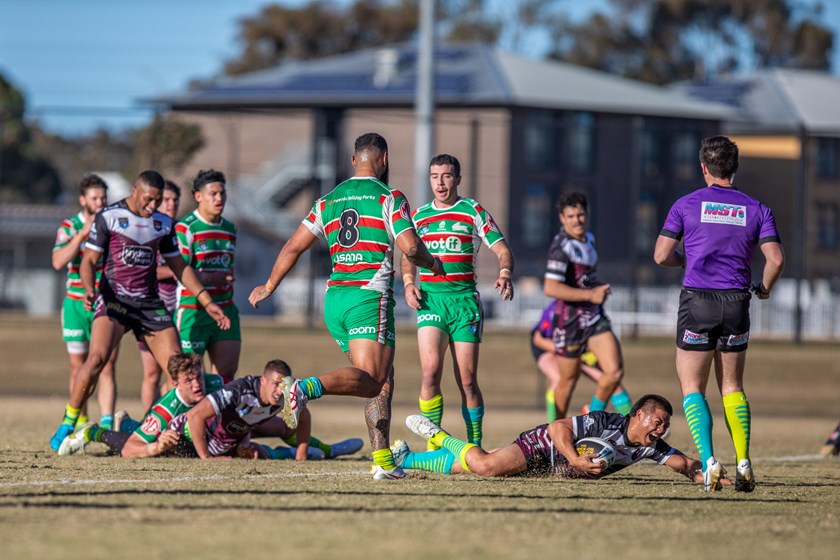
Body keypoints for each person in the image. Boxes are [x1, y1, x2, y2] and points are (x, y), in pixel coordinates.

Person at [248, 132, 444, 479]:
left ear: (354, 161)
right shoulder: (389, 197)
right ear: (385, 159)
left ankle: (383, 461)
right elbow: (412, 247)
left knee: (383, 378)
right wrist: (433, 263)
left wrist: (269, 285)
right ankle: (304, 388)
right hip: (367, 296)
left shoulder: (327, 200)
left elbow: (293, 246)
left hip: (335, 301)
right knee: (372, 380)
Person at [49, 170, 231, 451]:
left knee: (180, 371)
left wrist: (207, 302)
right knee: (96, 360)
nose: (152, 206)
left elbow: (179, 267)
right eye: (148, 199)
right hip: (114, 302)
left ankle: (146, 428)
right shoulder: (109, 216)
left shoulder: (163, 223)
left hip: (149, 306)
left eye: (157, 200)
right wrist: (88, 288)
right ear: (135, 191)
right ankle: (68, 422)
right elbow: (88, 261)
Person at [654, 135, 784, 492]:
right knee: (732, 386)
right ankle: (743, 460)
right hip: (737, 303)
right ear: (735, 167)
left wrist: (688, 260)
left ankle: (710, 461)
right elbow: (775, 259)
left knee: (692, 387)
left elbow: (661, 255)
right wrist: (765, 288)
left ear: (703, 168)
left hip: (698, 301)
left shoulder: (686, 204)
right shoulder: (757, 209)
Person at [400, 154, 514, 450]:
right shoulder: (419, 216)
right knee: (429, 374)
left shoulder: (472, 211)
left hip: (464, 305)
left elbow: (503, 250)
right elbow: (408, 255)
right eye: (434, 176)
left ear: (458, 179)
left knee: (467, 381)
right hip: (431, 302)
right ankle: (433, 446)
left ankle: (475, 445)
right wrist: (409, 283)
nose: (440, 183)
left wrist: (504, 273)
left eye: (447, 176)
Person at [61, 355, 362, 460]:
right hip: (188, 435)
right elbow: (134, 449)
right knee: (144, 439)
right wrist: (156, 447)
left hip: (228, 429)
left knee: (280, 427)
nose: (197, 384)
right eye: (189, 380)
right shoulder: (167, 409)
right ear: (175, 383)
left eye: (199, 377)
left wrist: (245, 439)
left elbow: (237, 408)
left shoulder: (216, 383)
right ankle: (95, 432)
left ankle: (326, 450)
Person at [395, 394, 726, 487]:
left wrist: (711, 474)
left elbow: (686, 465)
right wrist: (574, 459)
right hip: (544, 445)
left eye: (665, 425)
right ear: (639, 414)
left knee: (464, 468)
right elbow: (557, 428)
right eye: (658, 421)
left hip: (554, 465)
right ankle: (437, 434)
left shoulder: (650, 447)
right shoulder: (606, 421)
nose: (661, 429)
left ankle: (405, 459)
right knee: (484, 466)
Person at [542, 191, 625, 420]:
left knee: (614, 372)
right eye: (570, 216)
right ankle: (556, 431)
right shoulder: (561, 248)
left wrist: (598, 287)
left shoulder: (589, 238)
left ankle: (591, 416)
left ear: (586, 214)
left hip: (594, 318)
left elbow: (584, 277)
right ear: (562, 218)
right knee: (568, 381)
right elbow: (550, 287)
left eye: (580, 215)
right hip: (569, 321)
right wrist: (590, 294)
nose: (576, 220)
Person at [179, 360, 363, 460]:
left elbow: (304, 416)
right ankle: (288, 453)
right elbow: (195, 416)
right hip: (207, 439)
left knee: (286, 426)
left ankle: (329, 451)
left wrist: (302, 454)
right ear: (263, 380)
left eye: (283, 385)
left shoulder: (284, 395)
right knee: (258, 453)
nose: (280, 391)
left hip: (240, 432)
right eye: (276, 384)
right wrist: (206, 457)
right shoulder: (239, 390)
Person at [51, 173, 118, 430]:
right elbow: (58, 261)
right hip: (76, 304)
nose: (100, 203)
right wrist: (81, 236)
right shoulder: (69, 226)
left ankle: (108, 425)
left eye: (103, 198)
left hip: (106, 303)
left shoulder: (113, 226)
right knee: (78, 368)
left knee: (107, 365)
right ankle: (80, 424)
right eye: (95, 198)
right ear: (83, 200)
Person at [175, 169, 240, 383]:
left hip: (226, 308)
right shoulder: (186, 228)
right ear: (198, 196)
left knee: (226, 376)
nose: (219, 198)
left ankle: (219, 408)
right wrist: (211, 277)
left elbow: (227, 266)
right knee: (188, 376)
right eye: (213, 194)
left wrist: (227, 277)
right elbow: (180, 271)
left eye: (222, 193)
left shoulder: (230, 229)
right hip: (194, 310)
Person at [530, 300, 633, 421]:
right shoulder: (557, 309)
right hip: (550, 346)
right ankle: (553, 426)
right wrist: (570, 355)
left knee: (613, 381)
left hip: (581, 348)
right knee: (558, 379)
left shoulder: (594, 309)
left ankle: (627, 422)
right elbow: (539, 340)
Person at [137, 179, 182, 409]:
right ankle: (148, 421)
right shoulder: (147, 230)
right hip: (153, 309)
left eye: (175, 200)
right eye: (167, 200)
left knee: (178, 371)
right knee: (152, 372)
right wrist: (176, 271)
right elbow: (143, 268)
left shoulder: (182, 230)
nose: (171, 204)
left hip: (181, 309)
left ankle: (170, 419)